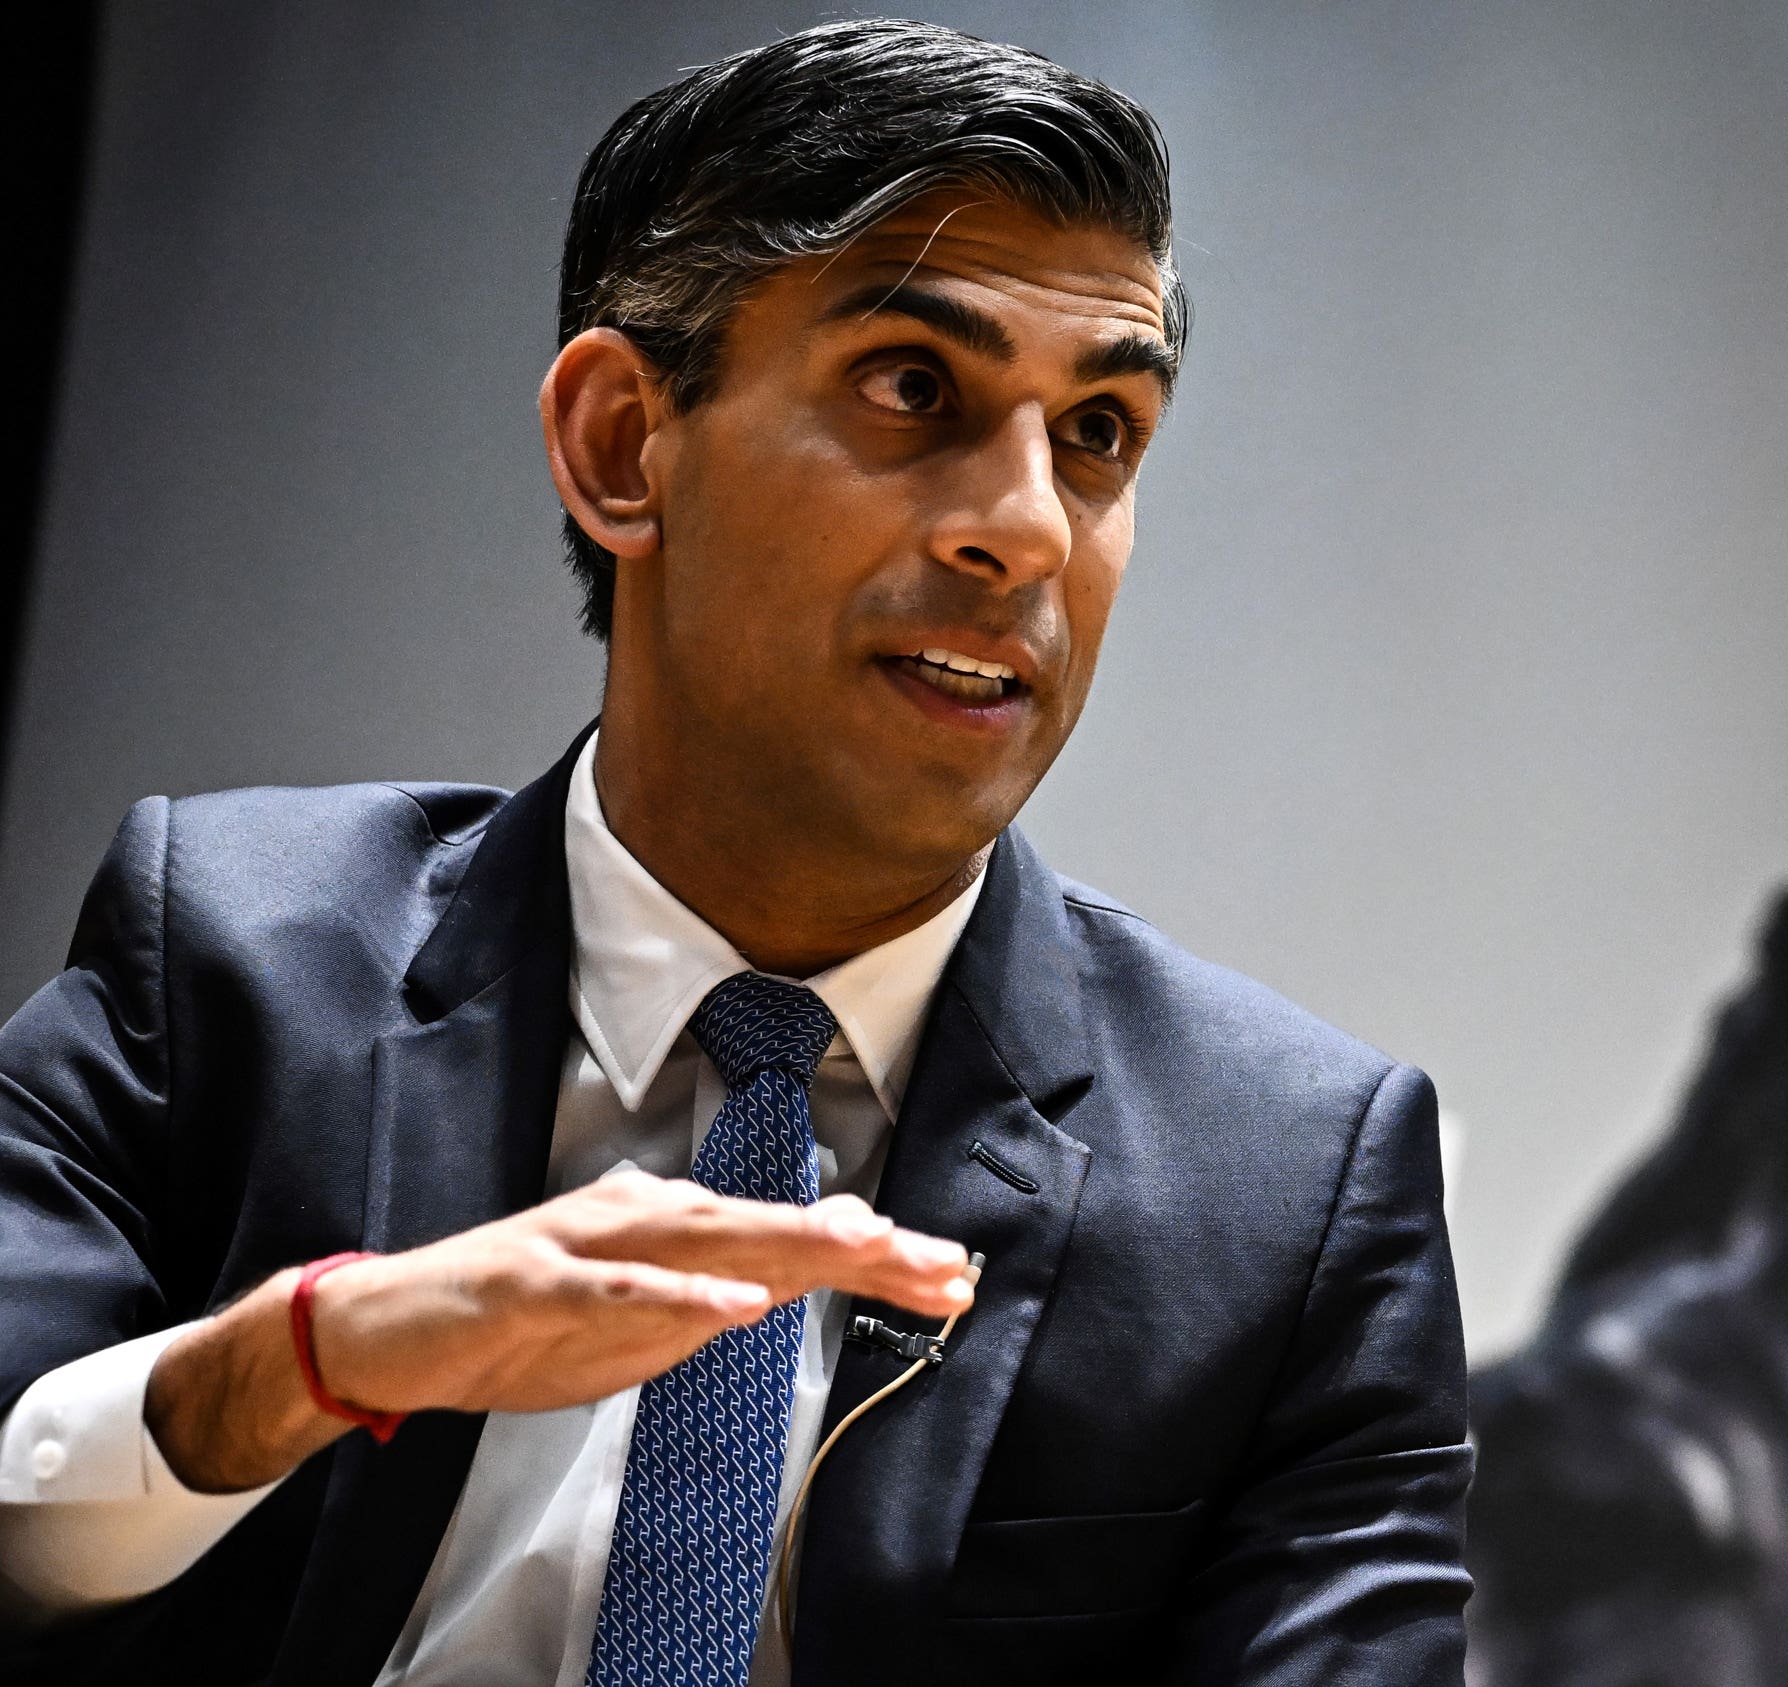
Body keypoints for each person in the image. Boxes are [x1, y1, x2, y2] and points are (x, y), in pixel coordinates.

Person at [0, 20, 1470, 1685]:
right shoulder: (226, 958)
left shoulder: (1286, 1184)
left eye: (1101, 431)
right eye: (918, 389)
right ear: (626, 445)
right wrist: (279, 1372)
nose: (1032, 525)